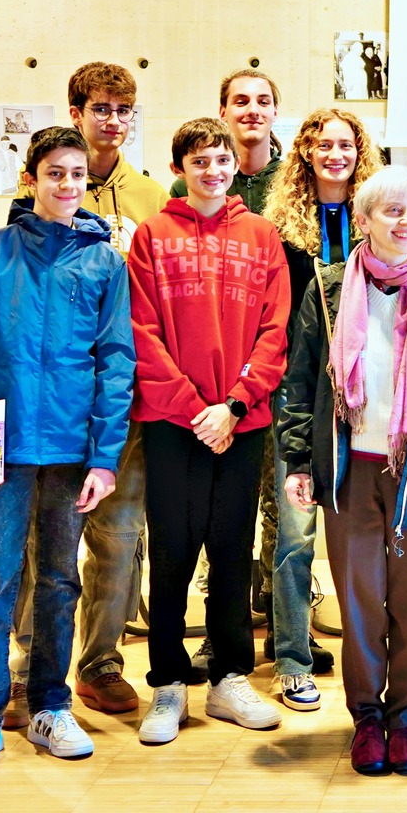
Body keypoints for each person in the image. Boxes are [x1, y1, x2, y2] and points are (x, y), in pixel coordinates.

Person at [0, 126, 135, 776]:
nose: (68, 183)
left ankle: (51, 703)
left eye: (77, 173)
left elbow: (115, 361)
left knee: (59, 579)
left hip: (73, 450)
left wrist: (105, 456)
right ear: (32, 178)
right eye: (55, 172)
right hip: (4, 452)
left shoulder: (105, 263)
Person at [278, 167, 407, 778]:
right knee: (362, 599)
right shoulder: (329, 286)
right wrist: (297, 459)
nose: (405, 222)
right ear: (363, 220)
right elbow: (301, 378)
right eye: (391, 211)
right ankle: (367, 716)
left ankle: (406, 717)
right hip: (349, 469)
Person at [5, 62, 169, 722]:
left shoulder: (153, 198)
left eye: (123, 109)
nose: (112, 120)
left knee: (121, 537)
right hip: (49, 401)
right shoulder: (35, 195)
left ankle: (101, 664)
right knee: (42, 542)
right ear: (76, 112)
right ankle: (30, 665)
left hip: (124, 396)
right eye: (100, 107)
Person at [129, 119, 292, 744]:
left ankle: (228, 678)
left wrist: (234, 403)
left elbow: (275, 331)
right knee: (171, 550)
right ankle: (168, 684)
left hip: (241, 420)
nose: (214, 170)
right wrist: (195, 408)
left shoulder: (262, 235)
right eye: (200, 160)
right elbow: (141, 331)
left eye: (222, 159)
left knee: (231, 551)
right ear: (181, 167)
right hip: (175, 423)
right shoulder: (152, 236)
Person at [261, 107, 377, 708]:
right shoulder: (278, 229)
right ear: (305, 151)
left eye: (346, 144)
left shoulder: (376, 220)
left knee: (367, 528)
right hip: (299, 388)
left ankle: (375, 654)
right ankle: (290, 658)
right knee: (295, 529)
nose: (336, 154)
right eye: (324, 144)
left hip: (367, 393)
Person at [167, 67, 282, 212]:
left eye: (263, 102)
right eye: (241, 102)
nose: (253, 110)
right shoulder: (188, 185)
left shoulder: (298, 181)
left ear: (275, 112)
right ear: (223, 112)